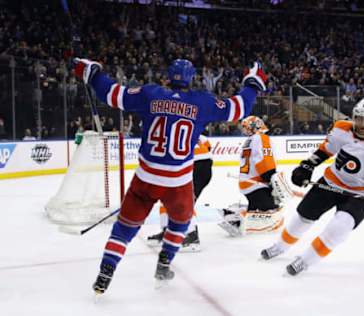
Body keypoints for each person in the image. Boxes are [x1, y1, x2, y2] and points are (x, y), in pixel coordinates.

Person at [73, 58, 267, 295]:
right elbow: (239, 108)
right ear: (191, 77)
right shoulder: (201, 102)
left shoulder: (149, 94)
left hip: (145, 178)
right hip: (178, 182)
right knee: (180, 222)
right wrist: (253, 84)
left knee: (124, 228)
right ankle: (164, 264)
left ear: (168, 76)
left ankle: (106, 272)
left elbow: (112, 94)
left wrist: (93, 75)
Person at [261, 99, 364, 276]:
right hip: (330, 183)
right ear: (353, 117)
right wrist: (307, 165)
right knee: (304, 216)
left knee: (340, 227)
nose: (363, 124)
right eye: (359, 118)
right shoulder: (341, 128)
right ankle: (280, 247)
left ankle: (305, 260)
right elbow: (325, 150)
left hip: (358, 194)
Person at [218, 116, 290, 237]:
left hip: (246, 183)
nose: (244, 130)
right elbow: (264, 161)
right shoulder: (262, 138)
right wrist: (271, 180)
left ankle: (239, 212)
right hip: (257, 184)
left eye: (246, 127)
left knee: (260, 206)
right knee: (275, 215)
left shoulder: (249, 140)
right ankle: (239, 219)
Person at [147, 134, 213, 252]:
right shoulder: (198, 134)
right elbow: (208, 148)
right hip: (203, 167)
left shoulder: (168, 134)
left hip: (193, 167)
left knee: (183, 200)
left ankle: (192, 236)